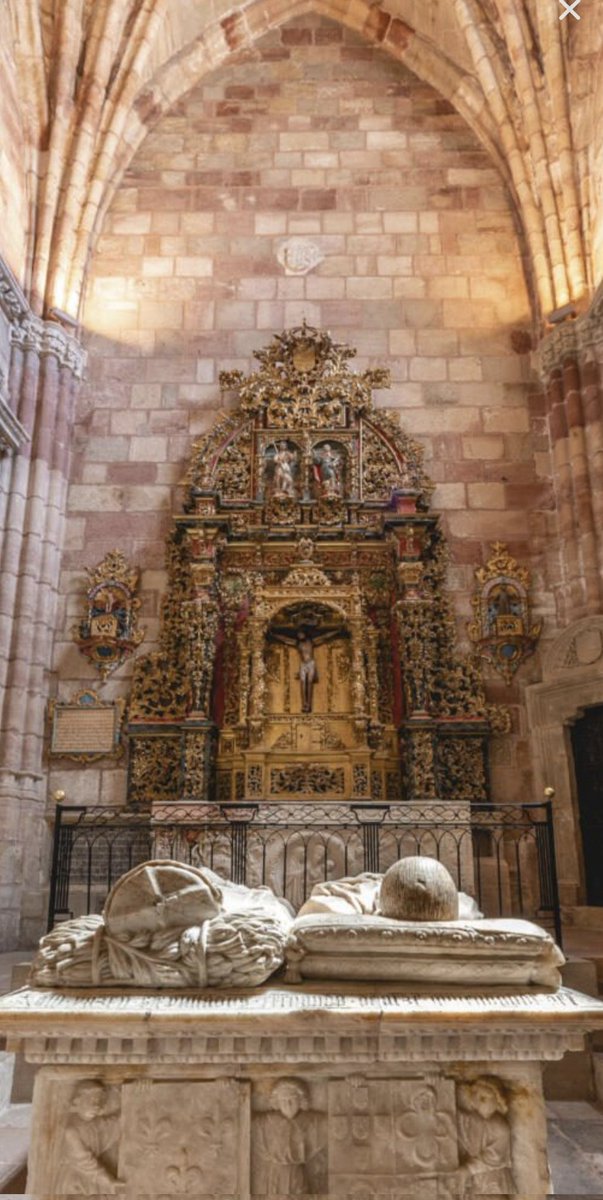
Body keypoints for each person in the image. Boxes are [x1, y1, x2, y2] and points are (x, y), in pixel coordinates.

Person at [253, 1078, 323, 1195]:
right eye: (283, 1100)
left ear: (301, 1100)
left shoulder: (313, 1121)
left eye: (292, 1099)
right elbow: (242, 1116)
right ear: (277, 1102)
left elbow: (337, 1120)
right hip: (274, 1176)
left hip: (298, 1174)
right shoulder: (265, 1122)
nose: (288, 1104)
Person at [55, 1081, 122, 1194]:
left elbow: (118, 1122)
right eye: (91, 1100)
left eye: (99, 1101)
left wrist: (138, 1094)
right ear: (77, 1101)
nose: (97, 1106)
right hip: (76, 1183)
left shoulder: (95, 1123)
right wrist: (108, 1181)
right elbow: (84, 1161)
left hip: (94, 1179)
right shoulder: (71, 1131)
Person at [456, 1077, 515, 1196]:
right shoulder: (475, 1120)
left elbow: (494, 1157)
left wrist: (468, 1169)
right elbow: (458, 1119)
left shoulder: (500, 1126)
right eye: (475, 1097)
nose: (478, 1103)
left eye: (484, 1099)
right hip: (475, 1181)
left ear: (498, 1101)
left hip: (493, 1178)